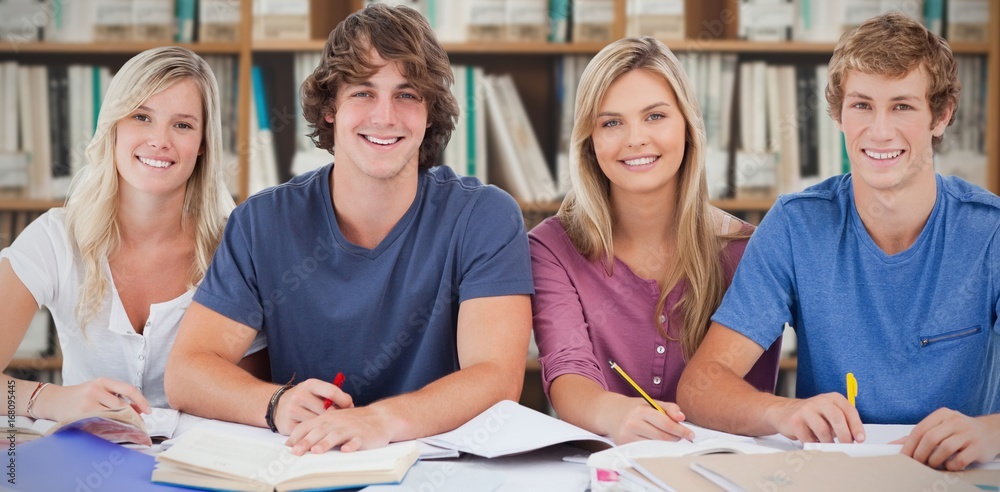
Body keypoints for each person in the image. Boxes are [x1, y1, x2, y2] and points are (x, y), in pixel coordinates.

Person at [164, 4, 533, 455]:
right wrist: (276, 402)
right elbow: (187, 372)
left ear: (430, 114)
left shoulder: (485, 217)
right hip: (306, 461)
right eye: (362, 92)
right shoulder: (262, 223)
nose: (385, 116)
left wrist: (381, 420)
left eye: (407, 94)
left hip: (436, 467)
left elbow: (497, 375)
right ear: (330, 110)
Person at [677, 12, 1000, 470]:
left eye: (902, 106)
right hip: (834, 475)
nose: (880, 130)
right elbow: (700, 387)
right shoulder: (795, 226)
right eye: (862, 105)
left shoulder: (991, 232)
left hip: (960, 477)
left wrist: (992, 431)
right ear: (838, 113)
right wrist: (781, 411)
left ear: (941, 115)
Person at [530, 37, 781, 445]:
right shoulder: (552, 249)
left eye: (655, 116)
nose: (635, 139)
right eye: (611, 123)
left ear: (687, 124)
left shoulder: (749, 250)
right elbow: (567, 368)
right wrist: (613, 413)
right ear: (589, 141)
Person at [0, 46, 264, 421]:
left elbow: (251, 392)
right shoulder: (55, 239)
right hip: (82, 463)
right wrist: (51, 400)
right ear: (113, 126)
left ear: (204, 144)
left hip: (196, 471)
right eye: (142, 116)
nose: (159, 140)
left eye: (183, 124)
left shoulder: (235, 249)